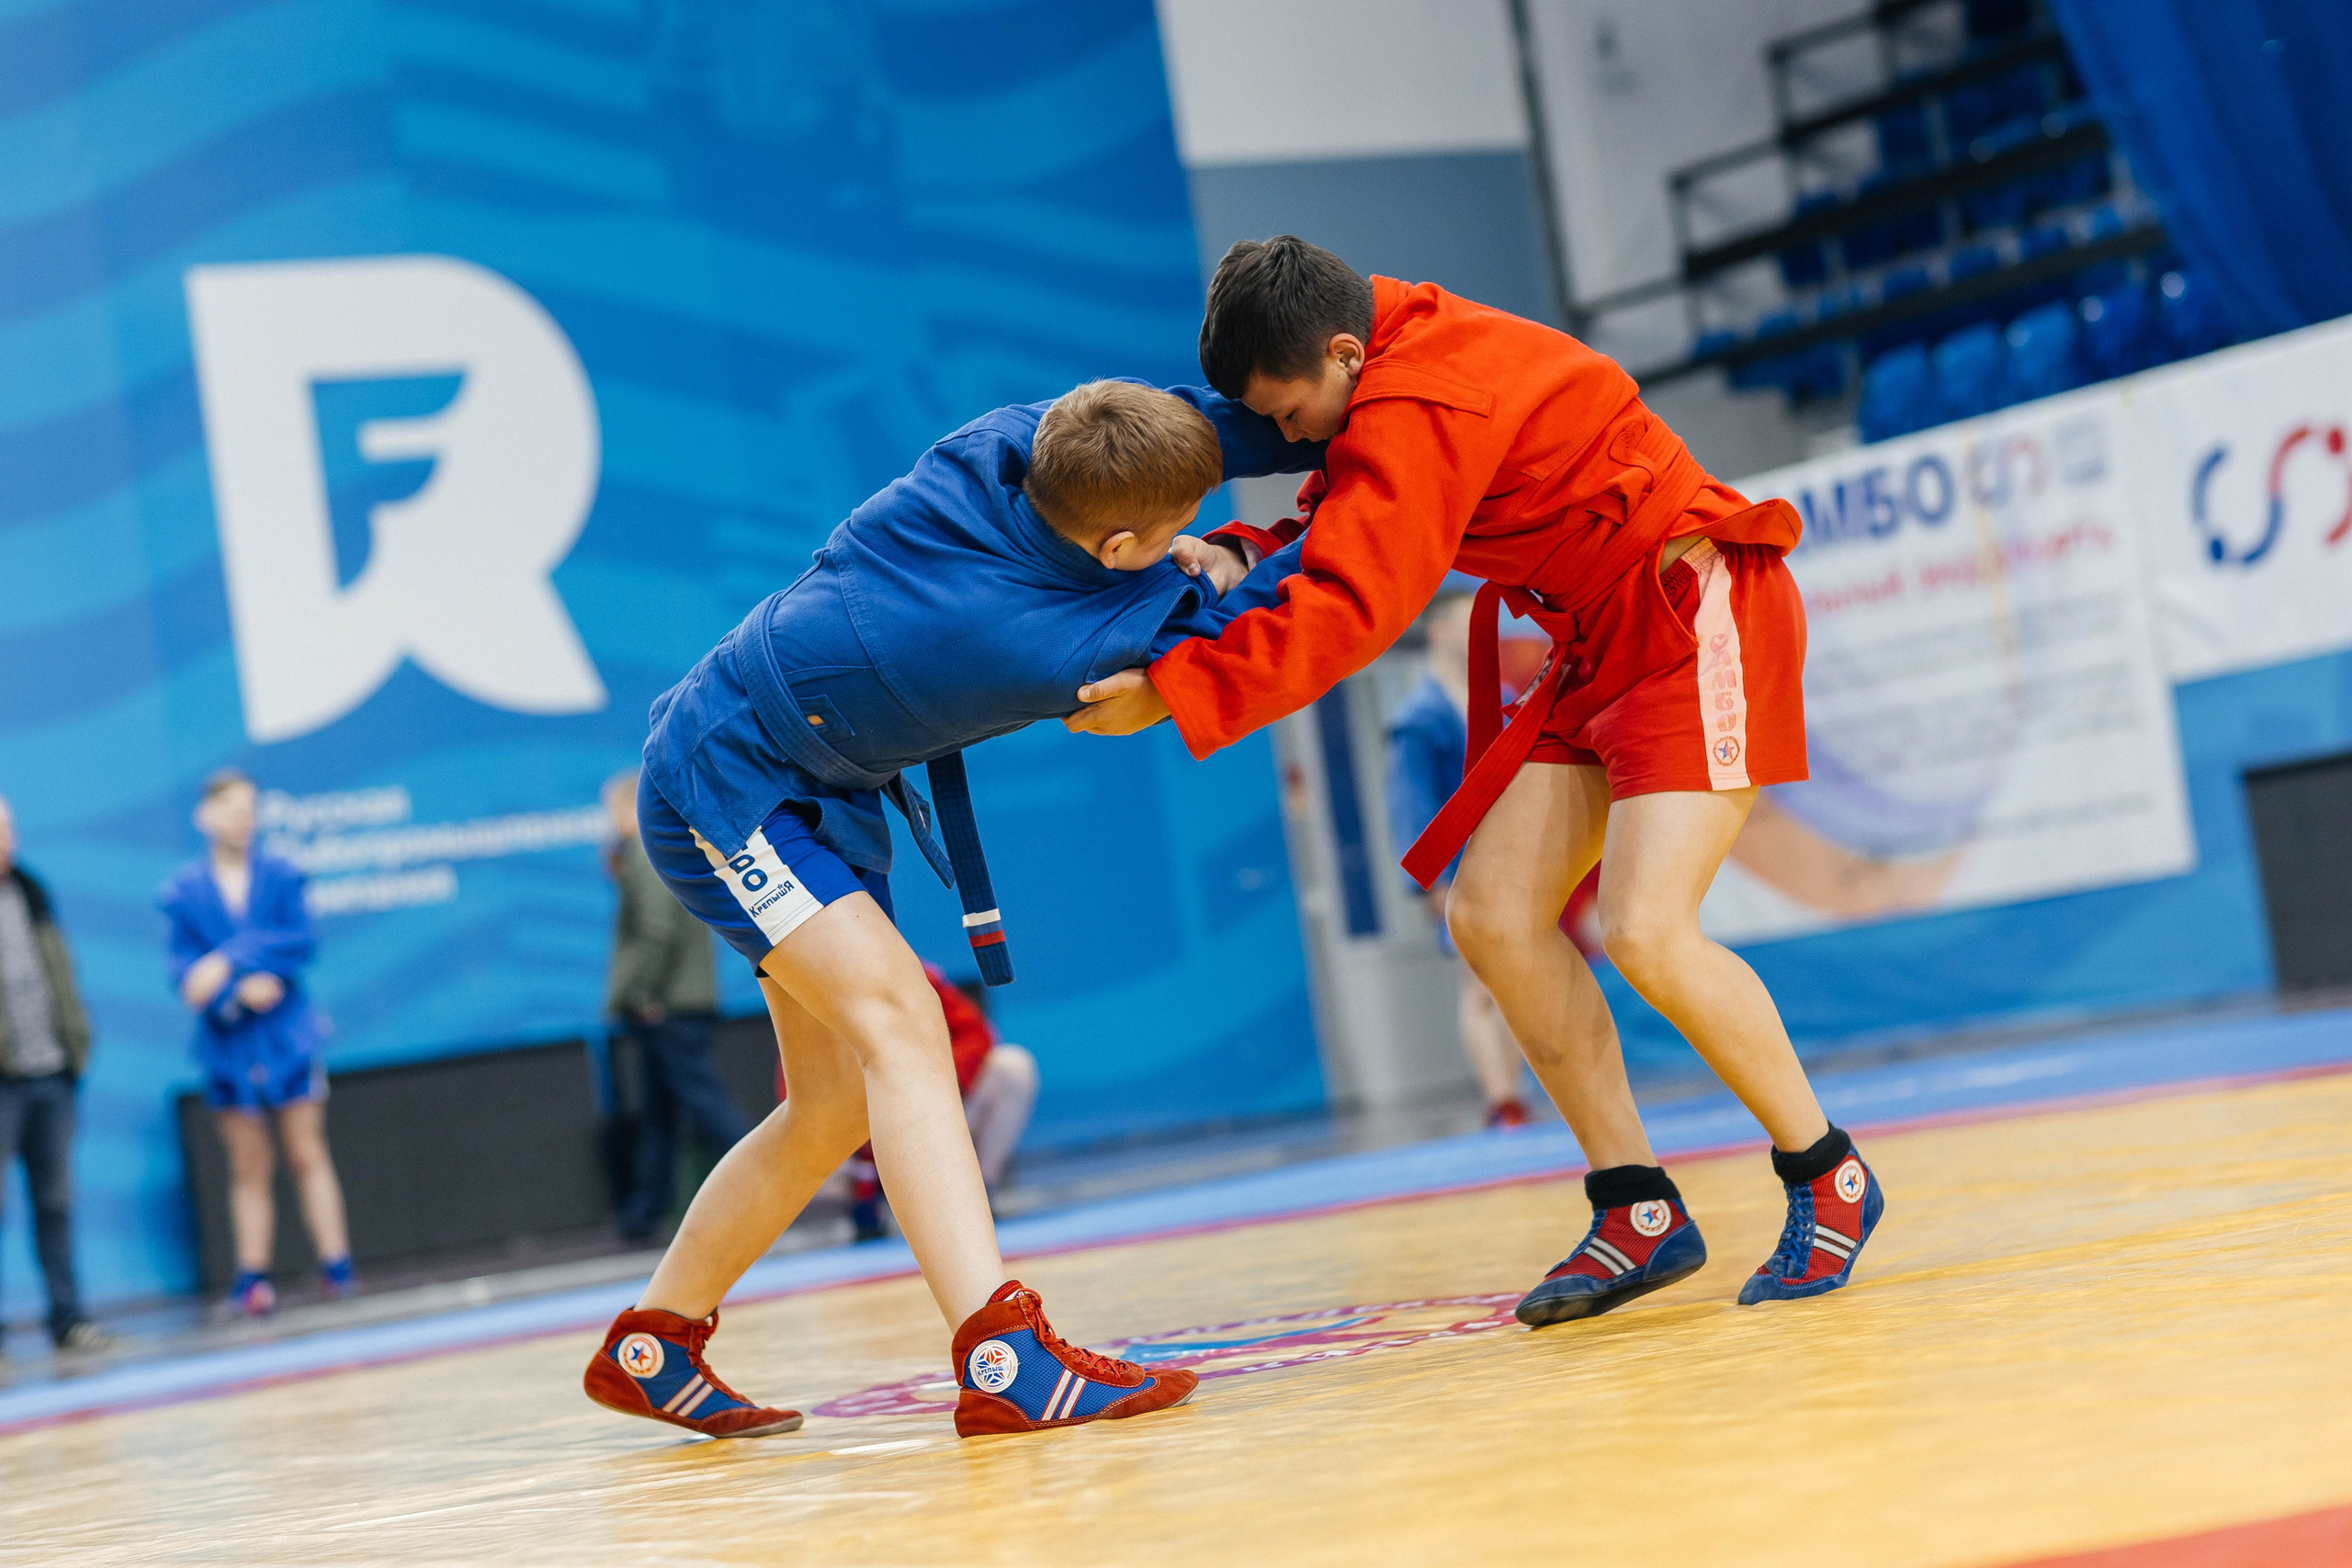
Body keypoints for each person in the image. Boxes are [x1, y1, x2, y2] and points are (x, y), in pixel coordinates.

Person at [1068, 237, 1884, 1325]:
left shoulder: (1424, 395)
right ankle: (1635, 1205)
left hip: (1696, 611)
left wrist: (1177, 689)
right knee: (1492, 918)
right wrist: (1234, 547)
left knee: (1647, 929)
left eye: (1291, 410)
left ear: (1346, 352)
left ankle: (1826, 1172)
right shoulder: (1387, 352)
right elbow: (1349, 500)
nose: (1288, 435)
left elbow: (1359, 595)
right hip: (1595, 631)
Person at [581, 378, 1308, 1440]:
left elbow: (1174, 422)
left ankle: (653, 1345)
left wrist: (1249, 484)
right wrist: (1260, 541)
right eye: (1171, 530)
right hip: (727, 780)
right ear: (1117, 547)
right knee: (906, 1026)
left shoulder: (996, 448)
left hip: (796, 778)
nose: (1185, 540)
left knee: (831, 1106)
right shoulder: (1075, 646)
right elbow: (1274, 604)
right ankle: (1003, 1354)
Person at [162, 770, 353, 1316]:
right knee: (247, 1162)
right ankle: (252, 1278)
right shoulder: (183, 891)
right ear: (206, 817)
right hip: (229, 1043)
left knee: (306, 1150)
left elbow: (299, 941)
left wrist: (228, 958)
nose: (244, 818)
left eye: (251, 808)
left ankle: (337, 1266)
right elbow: (186, 976)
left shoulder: (282, 874)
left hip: (287, 1034)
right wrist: (233, 987)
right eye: (232, 808)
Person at [1385, 588, 1534, 1130]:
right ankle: (1502, 1101)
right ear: (1440, 634)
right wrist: (1432, 882)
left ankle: (1517, 1092)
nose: (1480, 635)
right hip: (1458, 870)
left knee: (1513, 984)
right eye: (1467, 624)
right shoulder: (1418, 719)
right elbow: (1411, 804)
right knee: (1479, 984)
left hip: (1514, 863)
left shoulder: (1500, 696)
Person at [603, 772, 753, 1241]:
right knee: (661, 1114)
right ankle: (642, 1215)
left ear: (628, 807)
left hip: (667, 1005)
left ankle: (770, 1188)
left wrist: (641, 995)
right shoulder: (657, 850)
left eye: (609, 810)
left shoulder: (642, 855)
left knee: (706, 1106)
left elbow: (655, 934)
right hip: (678, 1001)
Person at [0, 796, 118, 1356]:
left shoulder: (33, 892)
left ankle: (68, 1319)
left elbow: (60, 976)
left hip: (50, 1076)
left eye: (9, 827)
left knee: (56, 1203)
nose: (7, 839)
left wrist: (77, 1044)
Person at [836, 964, 1040, 1241]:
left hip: (927, 1124)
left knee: (1013, 1067)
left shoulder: (910, 971)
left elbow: (976, 1034)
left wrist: (922, 1092)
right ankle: (867, 1208)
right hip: (857, 1148)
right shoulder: (804, 993)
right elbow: (800, 1097)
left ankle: (977, 1197)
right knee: (802, 1153)